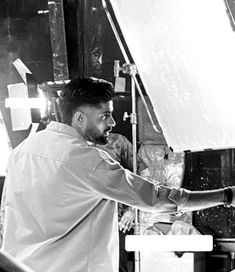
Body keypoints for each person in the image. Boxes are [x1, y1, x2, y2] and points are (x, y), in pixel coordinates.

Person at [1, 76, 235, 272]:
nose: (112, 122)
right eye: (104, 116)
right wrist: (226, 196)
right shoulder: (87, 160)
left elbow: (7, 214)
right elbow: (156, 199)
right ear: (80, 118)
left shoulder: (21, 152)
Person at [95, 132, 148, 272]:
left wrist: (132, 209)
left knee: (117, 266)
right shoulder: (73, 144)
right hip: (85, 221)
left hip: (116, 221)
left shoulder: (117, 142)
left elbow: (144, 174)